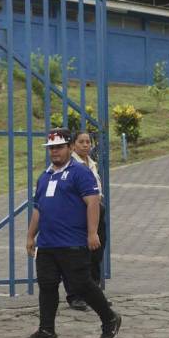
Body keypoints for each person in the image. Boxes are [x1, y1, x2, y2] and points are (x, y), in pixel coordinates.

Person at [23, 128, 122, 338]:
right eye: (51, 148)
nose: (54, 152)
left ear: (69, 148)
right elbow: (38, 208)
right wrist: (31, 236)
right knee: (47, 286)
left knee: (81, 285)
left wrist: (92, 232)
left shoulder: (80, 172)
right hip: (47, 243)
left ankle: (109, 319)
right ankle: (47, 331)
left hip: (73, 242)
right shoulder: (45, 176)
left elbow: (93, 202)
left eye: (59, 147)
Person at [63, 130, 106, 311]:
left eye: (88, 142)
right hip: (79, 214)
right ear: (73, 145)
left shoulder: (92, 164)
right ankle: (75, 296)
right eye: (81, 142)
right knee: (77, 256)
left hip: (97, 212)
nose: (86, 145)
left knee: (96, 254)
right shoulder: (71, 165)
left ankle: (94, 295)